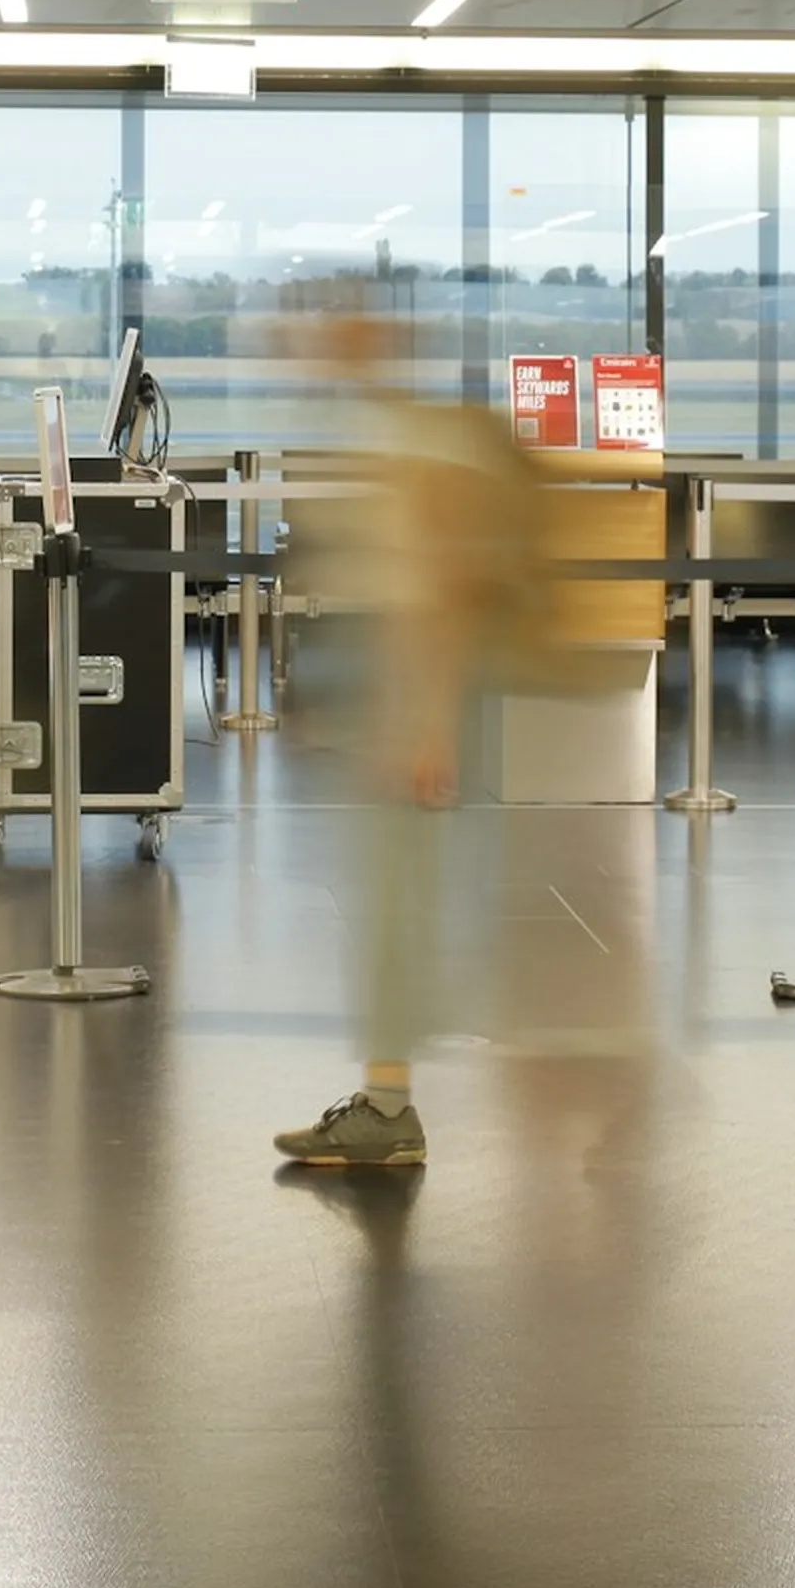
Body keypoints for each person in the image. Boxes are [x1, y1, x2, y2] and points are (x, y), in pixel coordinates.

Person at [272, 290, 546, 1171]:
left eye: (327, 338)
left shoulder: (418, 448)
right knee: (394, 913)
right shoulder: (393, 438)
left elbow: (445, 599)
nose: (310, 353)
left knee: (400, 913)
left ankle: (391, 1113)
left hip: (416, 709)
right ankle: (387, 1098)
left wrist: (425, 726)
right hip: (394, 705)